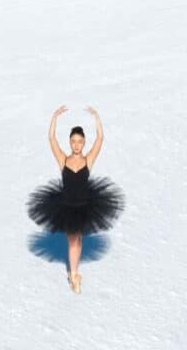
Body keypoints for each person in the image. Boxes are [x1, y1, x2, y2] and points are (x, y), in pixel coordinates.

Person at [26, 105, 125, 293]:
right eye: (73, 141)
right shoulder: (63, 160)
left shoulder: (88, 160)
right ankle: (74, 275)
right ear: (70, 143)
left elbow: (100, 139)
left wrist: (97, 118)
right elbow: (51, 139)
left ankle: (74, 272)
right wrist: (54, 117)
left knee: (78, 240)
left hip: (84, 205)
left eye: (80, 141)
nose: (77, 145)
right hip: (67, 206)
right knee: (73, 240)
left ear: (84, 142)